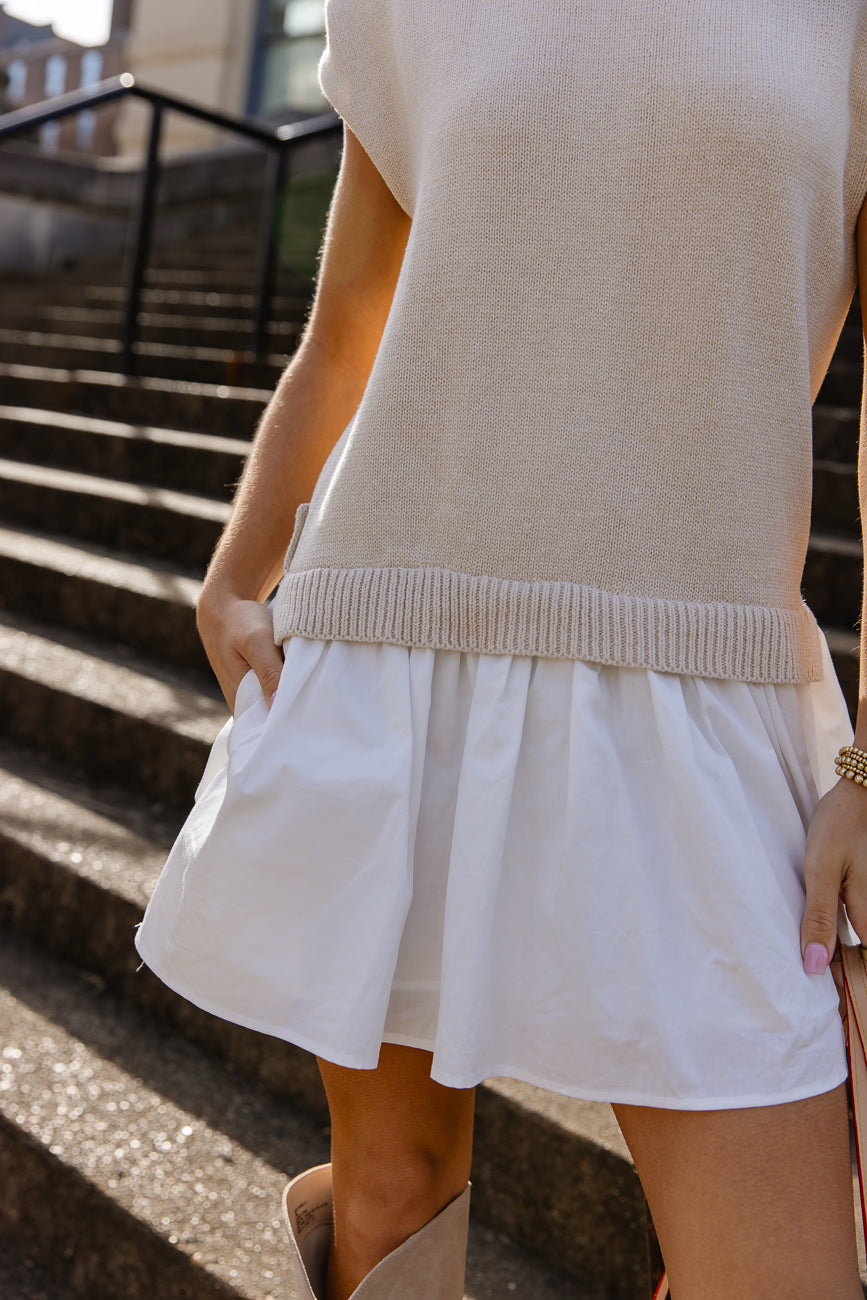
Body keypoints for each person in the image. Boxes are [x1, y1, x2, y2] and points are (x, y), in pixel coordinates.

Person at [135, 3, 867, 1297]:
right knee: (390, 1193)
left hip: (704, 674)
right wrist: (239, 568)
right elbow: (349, 324)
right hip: (393, 650)